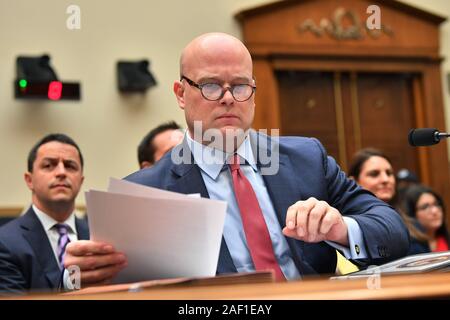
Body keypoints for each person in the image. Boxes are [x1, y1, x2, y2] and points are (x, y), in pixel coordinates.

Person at [64, 33, 409, 288]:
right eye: (211, 86)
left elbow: (392, 230)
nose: (228, 99)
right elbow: (115, 287)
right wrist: (78, 278)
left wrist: (339, 229)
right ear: (181, 94)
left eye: (241, 86)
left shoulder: (306, 158)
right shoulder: (143, 192)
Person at [0, 134, 89, 294]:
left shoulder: (100, 238)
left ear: (81, 181)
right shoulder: (4, 243)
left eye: (70, 166)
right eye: (49, 165)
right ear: (29, 180)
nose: (61, 172)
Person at [400, 184, 449, 254]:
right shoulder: (412, 248)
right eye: (425, 207)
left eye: (437, 204)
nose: (434, 211)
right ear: (412, 214)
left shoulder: (445, 237)